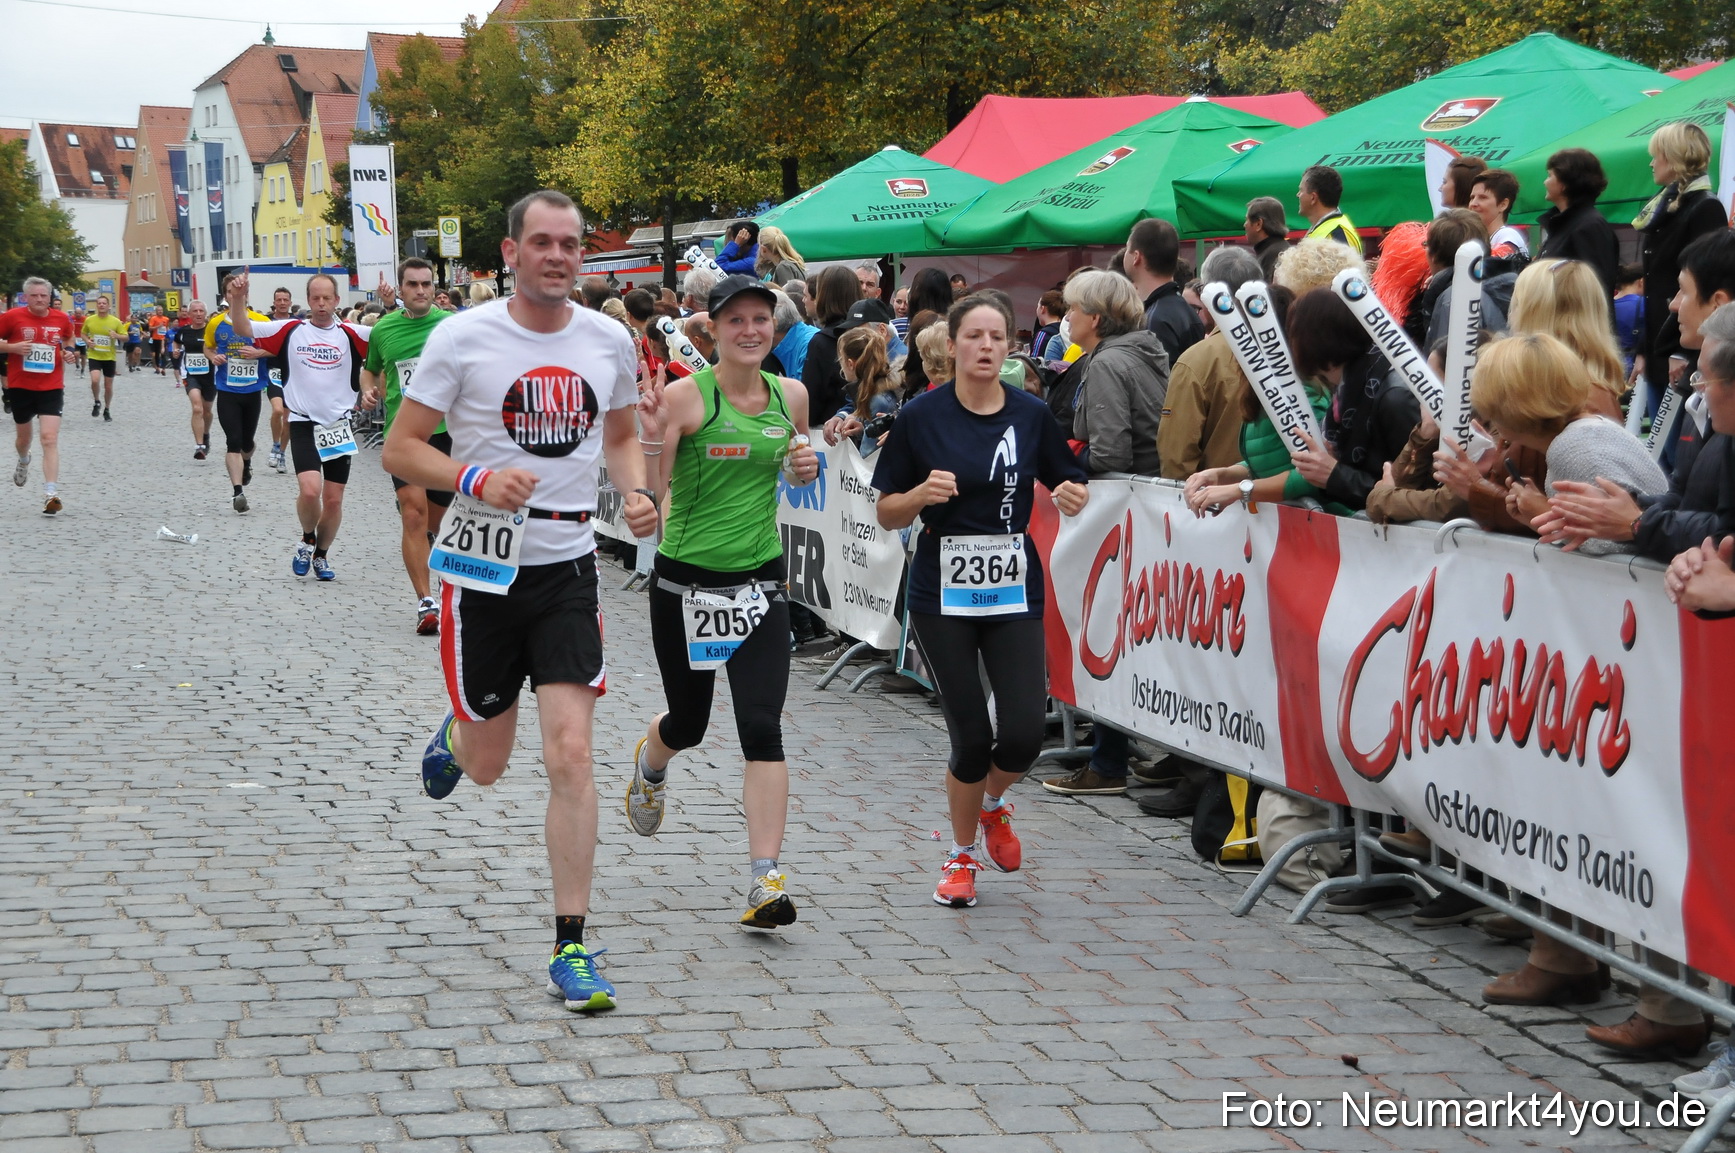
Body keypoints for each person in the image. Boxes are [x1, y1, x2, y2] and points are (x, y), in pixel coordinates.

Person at [383, 189, 658, 1013]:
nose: (557, 256)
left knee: (570, 753)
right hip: (483, 573)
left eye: (570, 244)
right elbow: (400, 446)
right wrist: (472, 476)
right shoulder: (461, 336)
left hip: (568, 568)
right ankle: (459, 732)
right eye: (541, 242)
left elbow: (619, 436)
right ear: (510, 253)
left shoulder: (608, 338)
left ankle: (571, 944)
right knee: (489, 764)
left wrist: (636, 492)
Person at [872, 295, 1090, 908]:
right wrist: (919, 494)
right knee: (970, 737)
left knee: (1022, 734)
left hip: (1012, 586)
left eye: (998, 336)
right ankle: (960, 855)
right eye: (975, 336)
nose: (987, 346)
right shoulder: (921, 416)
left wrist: (1072, 493)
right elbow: (886, 511)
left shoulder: (1030, 414)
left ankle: (992, 803)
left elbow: (1066, 476)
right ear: (953, 345)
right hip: (942, 591)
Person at [626, 273, 820, 926]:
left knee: (761, 727)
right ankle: (652, 761)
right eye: (735, 320)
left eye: (760, 319)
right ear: (711, 329)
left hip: (760, 583)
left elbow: (795, 461)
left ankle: (765, 880)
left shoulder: (791, 394)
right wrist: (645, 485)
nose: (749, 330)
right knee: (689, 722)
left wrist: (801, 466)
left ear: (774, 327)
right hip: (685, 586)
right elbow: (654, 487)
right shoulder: (685, 397)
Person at [1537, 241, 1735, 558]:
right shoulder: (1698, 390)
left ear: (1719, 304)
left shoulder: (1716, 396)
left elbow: (1724, 533)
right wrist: (1616, 508)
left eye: (1683, 292)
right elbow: (1684, 497)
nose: (1673, 305)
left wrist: (1637, 523)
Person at [226, 273, 375, 577]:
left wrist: (390, 303)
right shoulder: (291, 329)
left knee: (333, 501)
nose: (321, 304)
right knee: (310, 491)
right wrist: (238, 298)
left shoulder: (352, 333)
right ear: (307, 300)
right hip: (303, 423)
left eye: (327, 298)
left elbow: (391, 335)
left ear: (337, 300)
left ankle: (321, 555)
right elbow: (243, 327)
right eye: (315, 298)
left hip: (338, 427)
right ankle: (308, 538)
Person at [364, 259, 454, 635]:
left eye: (426, 284)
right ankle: (426, 602)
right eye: (413, 284)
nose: (420, 290)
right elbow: (370, 369)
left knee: (440, 522)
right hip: (403, 436)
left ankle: (437, 555)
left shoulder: (452, 326)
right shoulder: (383, 329)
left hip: (447, 434)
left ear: (434, 288)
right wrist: (367, 390)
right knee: (413, 514)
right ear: (400, 290)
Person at [1634, 122, 1728, 446]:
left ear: (1673, 158)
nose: (1651, 163)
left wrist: (1680, 350)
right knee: (1660, 451)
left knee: (1675, 451)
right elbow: (1656, 287)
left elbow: (1704, 286)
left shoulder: (1704, 207)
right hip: (1659, 347)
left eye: (1656, 155)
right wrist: (1644, 349)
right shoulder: (1663, 207)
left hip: (1681, 349)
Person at [1286, 289, 1420, 513]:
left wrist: (1335, 474)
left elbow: (1414, 491)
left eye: (1293, 334)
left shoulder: (1393, 396)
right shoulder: (1349, 387)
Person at [1158, 246, 1262, 483]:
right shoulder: (1286, 348)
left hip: (1215, 499)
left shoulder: (1196, 361)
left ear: (1208, 295)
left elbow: (1176, 458)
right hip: (1278, 496)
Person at [1507, 259, 1626, 421]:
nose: (1510, 316)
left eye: (1517, 304)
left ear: (1536, 317)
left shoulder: (1574, 403)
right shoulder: (1574, 390)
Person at [0, 277, 74, 514]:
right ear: (26, 297)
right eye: (34, 295)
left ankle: (51, 494)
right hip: (21, 385)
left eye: (43, 295)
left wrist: (69, 351)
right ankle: (24, 459)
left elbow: (69, 337)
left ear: (50, 297)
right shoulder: (12, 317)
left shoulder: (61, 318)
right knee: (24, 440)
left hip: (51, 386)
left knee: (49, 438)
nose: (40, 299)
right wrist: (12, 348)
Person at [204, 280, 271, 513]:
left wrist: (258, 353)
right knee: (232, 441)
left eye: (240, 292)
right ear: (226, 295)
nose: (236, 296)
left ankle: (247, 461)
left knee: (246, 443)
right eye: (231, 293)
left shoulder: (261, 322)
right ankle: (237, 492)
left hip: (252, 390)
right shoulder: (216, 323)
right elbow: (208, 347)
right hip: (227, 390)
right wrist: (213, 357)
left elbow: (275, 348)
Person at [1538, 148, 1620, 295]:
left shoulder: (1590, 226)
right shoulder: (1564, 223)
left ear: (1565, 181)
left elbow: (1595, 287)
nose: (1545, 182)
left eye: (1550, 175)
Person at [1124, 219, 1203, 365]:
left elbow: (1158, 377)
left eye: (1126, 248)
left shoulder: (1155, 320)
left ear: (1136, 257)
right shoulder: (1187, 311)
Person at [799, 265, 860, 428]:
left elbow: (810, 406)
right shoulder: (867, 333)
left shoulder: (822, 342)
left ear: (824, 296)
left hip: (832, 431)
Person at [822, 324, 900, 447]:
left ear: (850, 364)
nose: (840, 364)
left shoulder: (877, 400)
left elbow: (870, 453)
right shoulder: (870, 390)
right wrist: (862, 429)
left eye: (841, 358)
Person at [172, 300, 215, 458]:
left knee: (207, 411)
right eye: (195, 311)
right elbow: (176, 342)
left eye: (201, 311)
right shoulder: (183, 331)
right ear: (189, 314)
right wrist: (176, 351)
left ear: (205, 313)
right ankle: (199, 446)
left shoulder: (212, 330)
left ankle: (206, 434)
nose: (198, 314)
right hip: (191, 374)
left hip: (210, 376)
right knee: (197, 408)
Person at [81, 295, 128, 422]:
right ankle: (97, 401)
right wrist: (87, 341)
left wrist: (117, 335)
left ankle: (107, 409)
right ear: (97, 305)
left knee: (108, 386)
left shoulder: (115, 321)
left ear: (108, 306)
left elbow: (126, 337)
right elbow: (83, 333)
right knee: (95, 380)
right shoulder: (90, 320)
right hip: (94, 355)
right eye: (99, 303)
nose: (101, 305)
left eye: (104, 303)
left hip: (109, 357)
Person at [1468, 168, 1529, 263]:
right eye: (1472, 198)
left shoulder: (1507, 236)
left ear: (1503, 205)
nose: (1473, 204)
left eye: (1483, 197)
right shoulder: (1485, 238)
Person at [265, 287, 295, 473]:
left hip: (292, 374)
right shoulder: (266, 322)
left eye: (285, 300)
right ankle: (276, 445)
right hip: (273, 372)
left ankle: (282, 453)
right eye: (279, 300)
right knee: (277, 410)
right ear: (274, 302)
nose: (282, 303)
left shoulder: (297, 323)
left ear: (290, 302)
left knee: (289, 418)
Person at [1297, 165, 1361, 253]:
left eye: (1301, 190)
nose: (1298, 195)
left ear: (1313, 198)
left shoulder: (1337, 233)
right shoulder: (1327, 228)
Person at [1243, 196, 1292, 281]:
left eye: (1247, 220)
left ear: (1259, 224)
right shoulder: (1280, 250)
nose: (1244, 225)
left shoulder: (1273, 255)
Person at [147, 306, 171, 375]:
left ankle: (163, 369)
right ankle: (158, 367)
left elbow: (167, 327)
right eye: (159, 310)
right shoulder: (153, 318)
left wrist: (168, 335)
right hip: (155, 338)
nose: (160, 311)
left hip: (163, 338)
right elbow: (150, 328)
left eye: (161, 310)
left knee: (163, 353)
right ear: (156, 311)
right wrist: (158, 326)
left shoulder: (166, 319)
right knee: (157, 354)